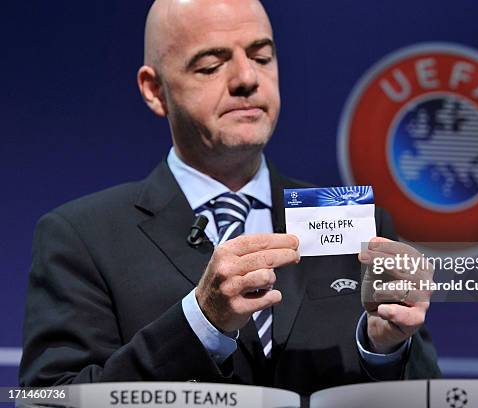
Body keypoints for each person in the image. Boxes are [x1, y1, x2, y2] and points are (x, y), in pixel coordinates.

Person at [19, 0, 440, 397]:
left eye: (261, 57)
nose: (246, 79)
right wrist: (201, 323)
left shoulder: (355, 220)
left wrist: (384, 351)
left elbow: (429, 396)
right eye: (211, 65)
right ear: (154, 90)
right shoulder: (82, 238)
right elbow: (48, 401)